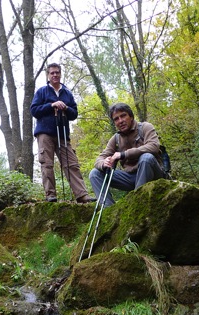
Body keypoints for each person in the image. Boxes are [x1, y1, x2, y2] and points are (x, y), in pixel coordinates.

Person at [30, 63, 94, 204]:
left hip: (63, 134)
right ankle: (50, 195)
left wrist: (65, 108)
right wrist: (51, 105)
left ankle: (82, 195)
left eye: (57, 72)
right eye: (52, 73)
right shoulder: (42, 92)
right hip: (44, 132)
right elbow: (34, 110)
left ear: (60, 74)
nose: (55, 75)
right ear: (48, 75)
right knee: (47, 163)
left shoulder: (67, 93)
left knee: (71, 163)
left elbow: (74, 113)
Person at [89, 102, 167, 207]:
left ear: (130, 116)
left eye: (123, 116)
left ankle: (137, 203)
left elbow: (153, 146)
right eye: (116, 119)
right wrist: (103, 163)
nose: (120, 121)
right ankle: (109, 209)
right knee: (95, 173)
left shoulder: (145, 127)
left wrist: (123, 154)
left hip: (153, 173)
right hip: (131, 178)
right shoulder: (116, 138)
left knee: (146, 158)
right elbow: (100, 158)